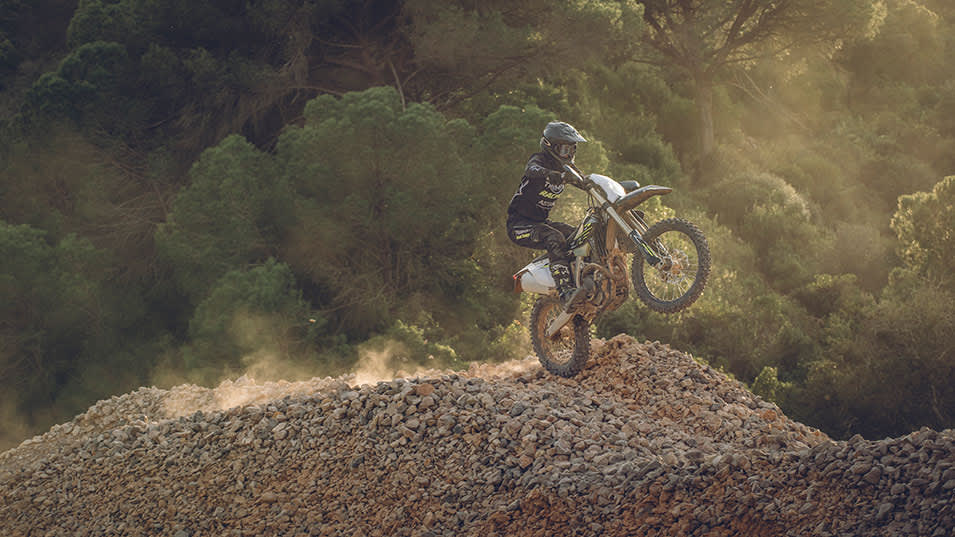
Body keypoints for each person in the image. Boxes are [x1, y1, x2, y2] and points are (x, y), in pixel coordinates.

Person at [506, 121, 588, 312]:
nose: (569, 155)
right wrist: (549, 174)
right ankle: (565, 291)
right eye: (565, 149)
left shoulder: (567, 168)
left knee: (579, 235)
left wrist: (597, 186)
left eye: (572, 150)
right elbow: (530, 170)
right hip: (519, 225)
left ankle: (580, 278)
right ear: (551, 146)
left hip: (540, 223)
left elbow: (584, 180)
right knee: (554, 237)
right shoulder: (539, 161)